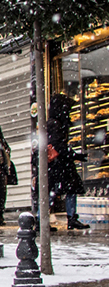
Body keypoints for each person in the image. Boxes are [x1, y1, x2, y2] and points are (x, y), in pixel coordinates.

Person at [46, 94, 90, 230]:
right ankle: (67, 218)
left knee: (60, 190)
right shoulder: (56, 123)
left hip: (60, 163)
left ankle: (47, 219)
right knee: (57, 190)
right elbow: (58, 145)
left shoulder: (55, 122)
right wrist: (74, 155)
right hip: (59, 164)